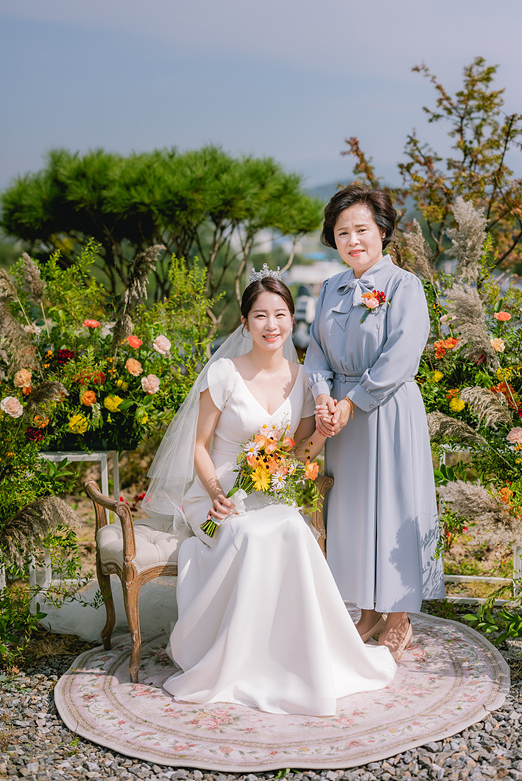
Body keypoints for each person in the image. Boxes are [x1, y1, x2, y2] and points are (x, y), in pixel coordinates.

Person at [142, 267, 395, 716]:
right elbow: (199, 447)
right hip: (217, 494)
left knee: (292, 530)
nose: (271, 325)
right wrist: (217, 492)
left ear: (292, 320)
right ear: (245, 322)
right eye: (260, 315)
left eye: (280, 314)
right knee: (249, 534)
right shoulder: (223, 373)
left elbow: (299, 452)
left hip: (270, 490)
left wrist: (321, 435)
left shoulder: (303, 379)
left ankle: (293, 657)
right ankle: (240, 660)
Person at [304, 185, 445, 660]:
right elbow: (316, 351)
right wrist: (323, 397)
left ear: (382, 232)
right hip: (341, 421)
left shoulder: (405, 286)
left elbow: (402, 355)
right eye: (342, 232)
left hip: (386, 409)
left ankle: (399, 616)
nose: (352, 240)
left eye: (361, 229)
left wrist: (353, 401)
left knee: (396, 507)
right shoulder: (330, 288)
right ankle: (368, 611)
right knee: (353, 512)